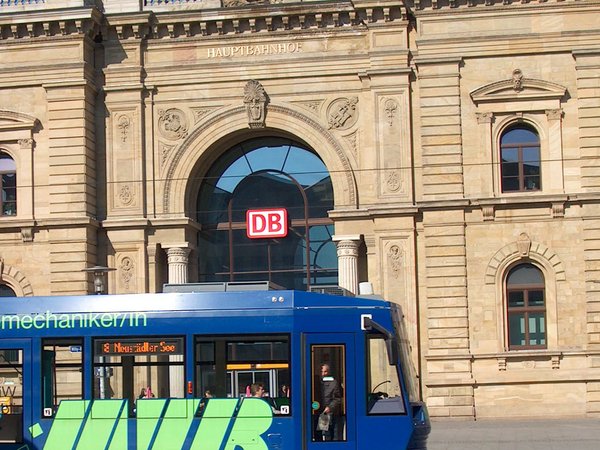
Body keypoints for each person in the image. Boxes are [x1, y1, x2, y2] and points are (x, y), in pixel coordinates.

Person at [316, 363, 342, 441]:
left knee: (329, 435)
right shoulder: (315, 382)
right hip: (317, 412)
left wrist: (330, 407)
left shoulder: (334, 383)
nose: (323, 374)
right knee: (318, 436)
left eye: (325, 372)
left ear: (329, 372)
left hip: (328, 413)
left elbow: (338, 399)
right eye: (322, 371)